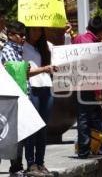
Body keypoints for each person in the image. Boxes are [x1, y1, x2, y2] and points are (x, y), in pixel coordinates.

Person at [72, 16, 102, 158]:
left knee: (83, 117)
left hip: (79, 85)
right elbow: (94, 70)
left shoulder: (79, 39)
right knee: (92, 118)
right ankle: (91, 149)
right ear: (99, 31)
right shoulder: (93, 45)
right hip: (91, 87)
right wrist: (98, 91)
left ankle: (85, 149)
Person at [23, 27, 56, 176]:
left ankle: (40, 162)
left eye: (39, 31)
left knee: (43, 128)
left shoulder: (46, 46)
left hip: (47, 88)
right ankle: (31, 164)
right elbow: (25, 71)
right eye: (33, 30)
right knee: (32, 128)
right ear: (27, 31)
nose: (37, 33)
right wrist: (44, 69)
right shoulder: (22, 47)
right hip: (32, 89)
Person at [1, 21, 26, 176]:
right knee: (10, 135)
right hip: (10, 98)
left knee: (18, 135)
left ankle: (17, 166)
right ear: (10, 35)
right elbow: (16, 75)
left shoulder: (20, 51)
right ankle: (15, 167)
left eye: (24, 35)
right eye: (20, 35)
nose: (23, 38)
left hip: (19, 98)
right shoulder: (9, 51)